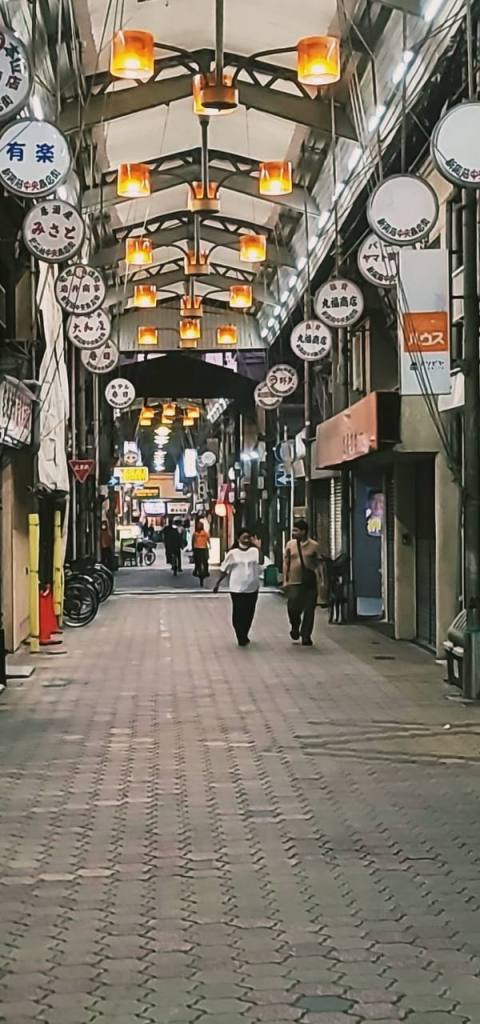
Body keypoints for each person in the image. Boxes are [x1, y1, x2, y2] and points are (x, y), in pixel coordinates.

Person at [213, 530, 263, 646]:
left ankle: (245, 633)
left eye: (248, 537)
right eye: (244, 537)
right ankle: (240, 634)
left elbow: (261, 561)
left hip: (252, 587)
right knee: (239, 611)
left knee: (249, 612)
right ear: (238, 538)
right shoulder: (233, 553)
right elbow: (224, 570)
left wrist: (259, 547)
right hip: (237, 587)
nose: (247, 539)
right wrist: (217, 584)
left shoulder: (254, 551)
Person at [283, 518, 322, 646]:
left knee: (309, 610)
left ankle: (306, 635)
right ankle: (295, 626)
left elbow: (320, 564)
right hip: (294, 582)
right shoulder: (290, 545)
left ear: (304, 532)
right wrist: (285, 580)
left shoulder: (314, 546)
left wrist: (322, 581)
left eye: (296, 530)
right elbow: (286, 562)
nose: (293, 532)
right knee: (293, 608)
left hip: (310, 582)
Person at [192, 519, 210, 584]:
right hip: (197, 549)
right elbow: (193, 541)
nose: (198, 526)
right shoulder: (195, 533)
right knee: (197, 561)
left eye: (200, 525)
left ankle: (206, 571)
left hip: (204, 548)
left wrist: (209, 545)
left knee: (205, 561)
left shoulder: (205, 533)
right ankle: (196, 570)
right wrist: (193, 548)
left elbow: (208, 539)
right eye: (198, 525)